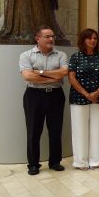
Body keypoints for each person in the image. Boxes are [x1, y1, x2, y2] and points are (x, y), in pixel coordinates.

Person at [19, 25, 68, 175]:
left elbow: (63, 73)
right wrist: (53, 75)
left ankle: (55, 161)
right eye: (47, 36)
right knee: (34, 130)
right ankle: (33, 164)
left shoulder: (61, 55)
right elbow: (27, 76)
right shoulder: (26, 55)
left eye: (52, 36)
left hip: (55, 95)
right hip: (34, 95)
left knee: (55, 130)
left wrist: (39, 72)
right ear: (38, 38)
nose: (51, 39)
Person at [67, 28, 99, 170]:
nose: (93, 40)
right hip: (78, 98)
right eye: (89, 38)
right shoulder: (75, 57)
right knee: (79, 130)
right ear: (83, 40)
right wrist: (86, 94)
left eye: (95, 38)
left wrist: (96, 92)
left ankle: (96, 161)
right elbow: (71, 78)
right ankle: (81, 162)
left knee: (97, 129)